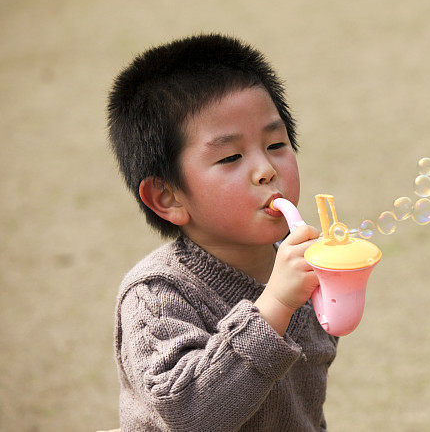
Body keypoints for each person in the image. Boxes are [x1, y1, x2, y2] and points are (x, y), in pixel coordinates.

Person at [107, 34, 336, 431]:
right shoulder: (157, 295)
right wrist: (276, 303)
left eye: (276, 143)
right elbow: (192, 414)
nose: (266, 169)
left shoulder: (300, 266)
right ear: (167, 197)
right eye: (230, 156)